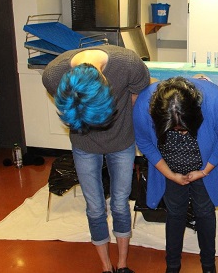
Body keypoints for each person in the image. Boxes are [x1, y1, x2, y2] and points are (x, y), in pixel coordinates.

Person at [42, 45, 150, 273]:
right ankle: (106, 267)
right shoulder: (53, 76)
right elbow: (69, 105)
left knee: (120, 204)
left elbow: (137, 101)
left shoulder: (129, 64)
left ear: (106, 83)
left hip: (121, 140)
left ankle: (122, 264)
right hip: (84, 145)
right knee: (94, 207)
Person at [133, 76, 218, 273]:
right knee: (175, 214)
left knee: (205, 213)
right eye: (174, 129)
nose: (180, 133)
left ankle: (208, 266)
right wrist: (170, 174)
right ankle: (172, 266)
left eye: (184, 128)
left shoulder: (215, 101)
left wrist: (204, 171)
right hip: (170, 169)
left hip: (204, 170)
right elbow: (144, 142)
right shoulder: (144, 104)